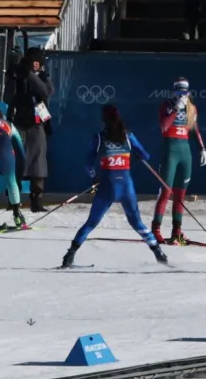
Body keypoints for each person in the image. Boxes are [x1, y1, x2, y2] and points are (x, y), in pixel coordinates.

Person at [62, 105, 167, 268]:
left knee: (91, 223)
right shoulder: (128, 136)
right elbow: (146, 155)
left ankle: (69, 257)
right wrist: (137, 156)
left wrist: (94, 178)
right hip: (126, 186)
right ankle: (159, 253)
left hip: (107, 186)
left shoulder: (99, 137)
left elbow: (88, 166)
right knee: (137, 223)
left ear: (103, 119)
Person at [151, 77, 206, 245]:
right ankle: (155, 230)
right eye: (179, 92)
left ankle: (177, 231)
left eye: (185, 92)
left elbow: (194, 129)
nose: (182, 96)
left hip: (185, 151)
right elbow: (164, 126)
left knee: (181, 193)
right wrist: (175, 109)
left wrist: (202, 148)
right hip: (171, 150)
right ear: (174, 91)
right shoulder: (167, 105)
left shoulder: (192, 108)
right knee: (166, 191)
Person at [6, 47, 53, 212]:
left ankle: (36, 199)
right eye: (32, 62)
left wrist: (31, 76)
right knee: (16, 161)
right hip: (19, 123)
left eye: (37, 63)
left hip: (37, 122)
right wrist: (17, 75)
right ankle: (13, 199)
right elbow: (8, 96)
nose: (35, 66)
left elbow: (46, 92)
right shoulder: (18, 76)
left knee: (38, 163)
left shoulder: (41, 78)